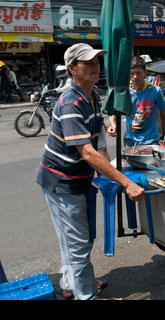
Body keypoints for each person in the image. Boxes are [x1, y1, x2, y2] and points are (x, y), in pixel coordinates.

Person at [36, 43, 145, 300]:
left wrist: (112, 176)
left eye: (97, 62)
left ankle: (69, 285)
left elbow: (99, 143)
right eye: (89, 63)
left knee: (72, 239)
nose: (96, 67)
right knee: (78, 244)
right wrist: (126, 182)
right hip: (62, 182)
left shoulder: (93, 94)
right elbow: (87, 152)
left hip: (79, 179)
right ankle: (87, 296)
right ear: (72, 69)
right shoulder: (70, 102)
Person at [108, 56, 165, 146]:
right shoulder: (125, 93)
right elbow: (113, 111)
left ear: (145, 73)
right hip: (131, 141)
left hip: (152, 141)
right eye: (132, 73)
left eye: (138, 73)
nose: (135, 77)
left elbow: (163, 114)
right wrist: (113, 124)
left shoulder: (155, 91)